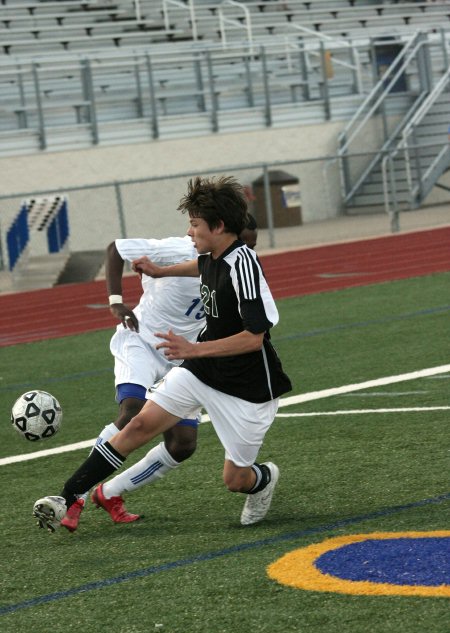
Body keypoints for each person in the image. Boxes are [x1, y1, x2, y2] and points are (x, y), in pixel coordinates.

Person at [33, 176, 291, 532]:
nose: (189, 231)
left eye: (195, 224)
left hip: (248, 388)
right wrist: (159, 271)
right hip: (201, 370)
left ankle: (263, 480)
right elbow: (201, 268)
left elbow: (254, 338)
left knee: (235, 478)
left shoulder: (244, 264)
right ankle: (68, 496)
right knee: (137, 424)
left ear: (217, 227)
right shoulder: (213, 254)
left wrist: (193, 348)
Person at [60, 216, 259, 532]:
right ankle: (74, 497)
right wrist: (116, 303)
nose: (246, 250)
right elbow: (115, 248)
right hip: (140, 339)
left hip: (180, 354)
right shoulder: (177, 249)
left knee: (183, 443)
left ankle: (110, 493)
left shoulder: (240, 269)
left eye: (251, 246)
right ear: (225, 233)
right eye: (243, 243)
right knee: (133, 411)